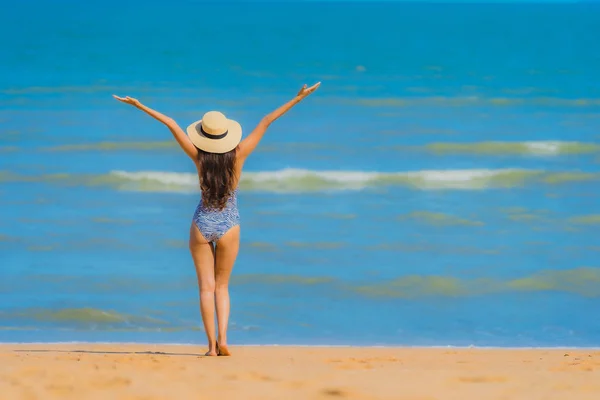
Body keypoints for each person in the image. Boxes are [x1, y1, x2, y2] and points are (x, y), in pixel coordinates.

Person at [113, 82, 321, 356]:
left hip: (202, 223)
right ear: (227, 135)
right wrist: (298, 98)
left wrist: (139, 106)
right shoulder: (239, 156)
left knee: (205, 288)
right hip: (229, 223)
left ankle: (211, 347)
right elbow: (267, 120)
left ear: (203, 136)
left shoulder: (199, 158)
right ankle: (224, 339)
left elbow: (172, 124)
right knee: (222, 287)